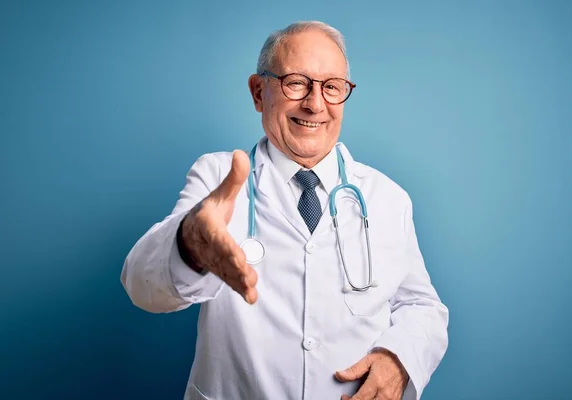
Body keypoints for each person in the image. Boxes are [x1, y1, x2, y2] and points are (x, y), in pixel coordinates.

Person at [121, 20, 449, 400]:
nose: (315, 103)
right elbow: (140, 285)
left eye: (331, 87)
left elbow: (422, 306)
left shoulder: (388, 198)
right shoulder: (217, 178)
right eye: (296, 82)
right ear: (259, 92)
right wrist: (189, 245)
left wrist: (399, 358)